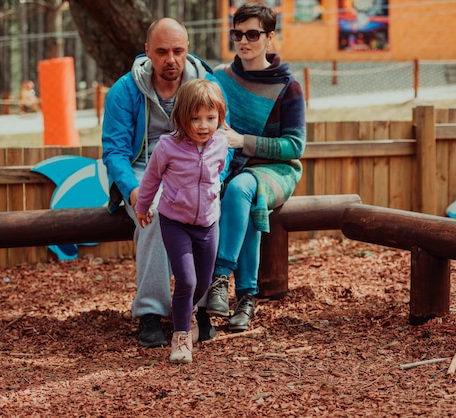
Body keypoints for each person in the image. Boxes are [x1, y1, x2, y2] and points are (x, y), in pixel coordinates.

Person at [102, 18, 219, 348]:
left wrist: (215, 181)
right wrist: (132, 189)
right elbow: (114, 151)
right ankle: (151, 312)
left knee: (205, 214)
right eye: (162, 51)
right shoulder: (125, 91)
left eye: (178, 51)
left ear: (187, 51)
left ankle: (198, 308)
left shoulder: (206, 85)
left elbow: (221, 138)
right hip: (142, 170)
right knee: (153, 214)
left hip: (191, 170)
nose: (171, 59)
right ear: (147, 52)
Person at [207, 2, 306, 331]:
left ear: (270, 37)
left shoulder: (288, 87)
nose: (244, 41)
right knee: (243, 196)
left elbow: (295, 147)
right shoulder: (221, 78)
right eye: (238, 34)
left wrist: (244, 141)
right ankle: (246, 297)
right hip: (230, 166)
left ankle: (220, 278)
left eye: (252, 34)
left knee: (242, 189)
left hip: (277, 169)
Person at [136, 79, 231, 363]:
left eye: (210, 118)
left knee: (202, 281)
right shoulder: (168, 146)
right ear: (181, 118)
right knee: (187, 280)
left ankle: (184, 313)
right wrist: (142, 206)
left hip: (208, 223)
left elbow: (218, 172)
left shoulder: (221, 144)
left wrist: (212, 195)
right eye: (195, 118)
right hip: (175, 221)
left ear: (219, 118)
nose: (203, 125)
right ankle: (181, 337)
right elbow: (151, 178)